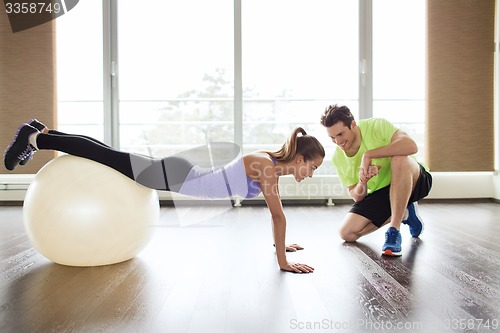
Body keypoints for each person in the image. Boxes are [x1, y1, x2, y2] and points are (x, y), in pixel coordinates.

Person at [4, 119, 325, 273]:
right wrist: (284, 262)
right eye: (312, 168)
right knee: (108, 157)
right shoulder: (267, 167)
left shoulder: (269, 168)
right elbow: (278, 215)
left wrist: (280, 245)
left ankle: (42, 132)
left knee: (110, 154)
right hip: (177, 176)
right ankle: (34, 139)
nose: (310, 175)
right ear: (299, 160)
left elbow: (276, 215)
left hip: (181, 173)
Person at [320, 105, 432, 256]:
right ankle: (405, 213)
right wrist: (363, 181)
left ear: (353, 125)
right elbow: (356, 196)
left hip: (416, 180)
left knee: (399, 159)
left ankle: (394, 230)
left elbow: (411, 146)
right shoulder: (338, 157)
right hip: (385, 192)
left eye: (340, 134)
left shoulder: (376, 126)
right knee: (347, 233)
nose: (338, 142)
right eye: (332, 137)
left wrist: (369, 155)